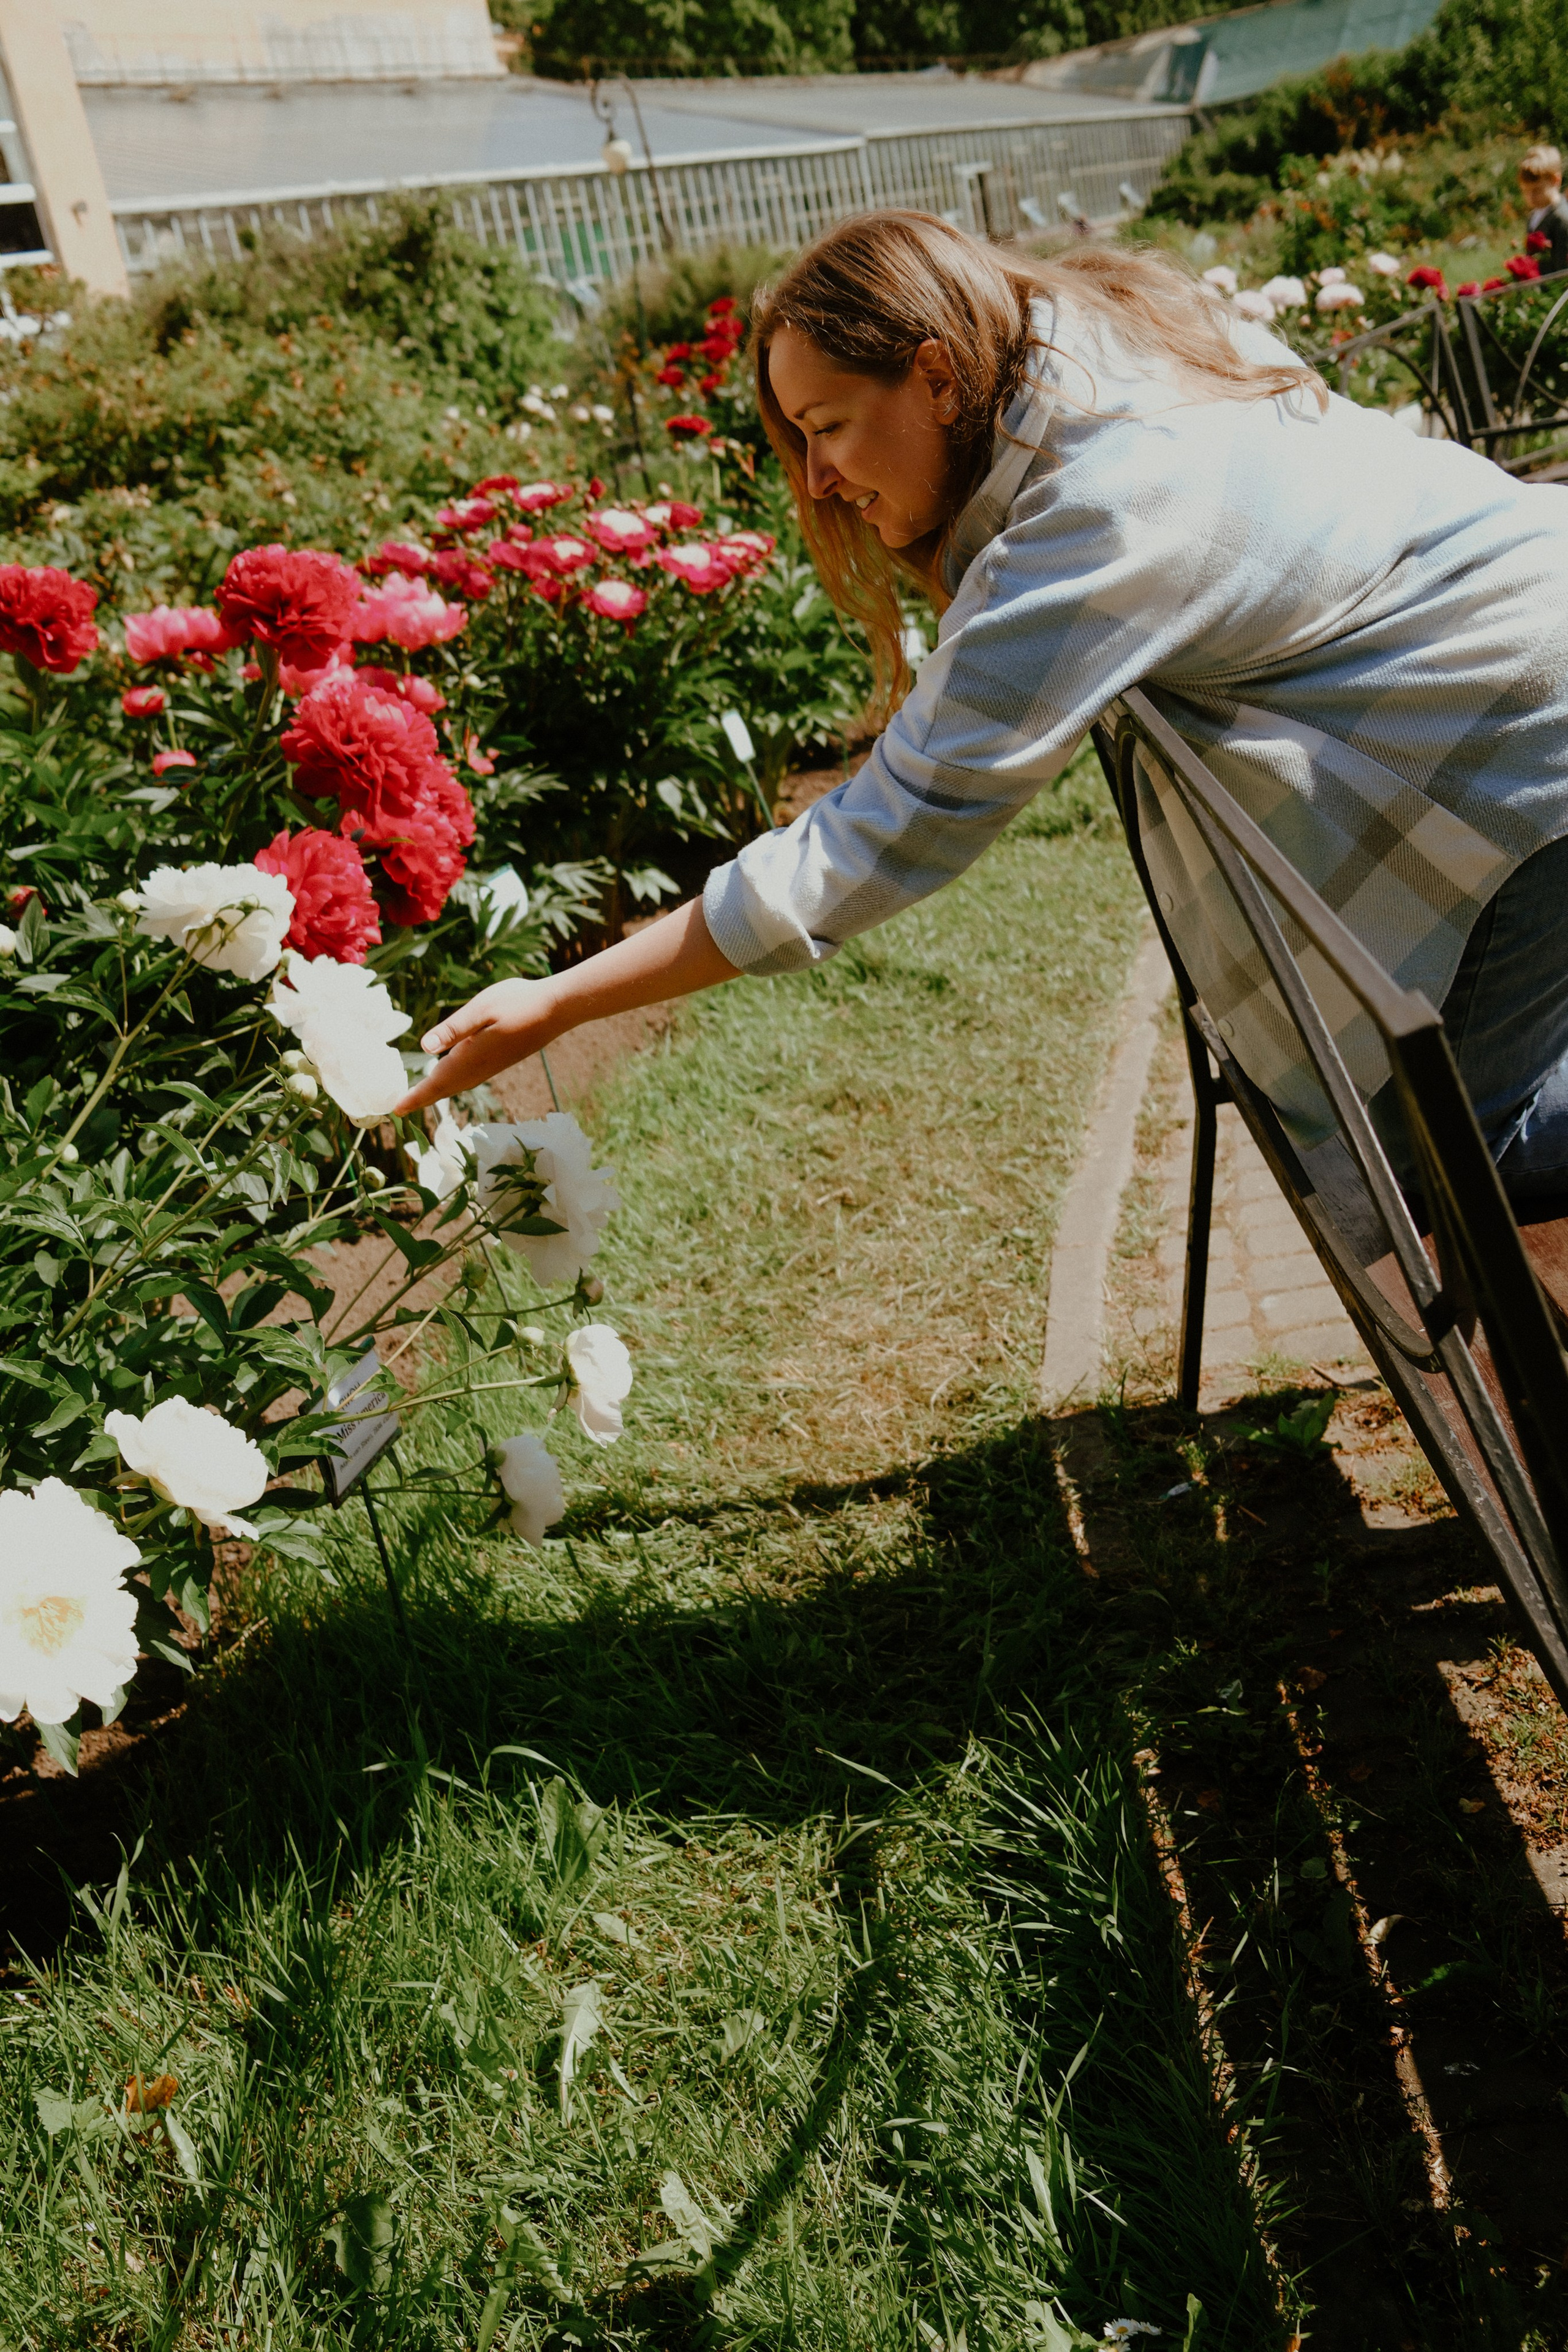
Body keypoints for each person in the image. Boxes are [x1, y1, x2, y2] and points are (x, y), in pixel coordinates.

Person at [398, 212, 1568, 1195]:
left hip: (1522, 735)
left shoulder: (1099, 514)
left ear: (937, 374)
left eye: (827, 427)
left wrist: (559, 1001)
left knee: (1462, 1170)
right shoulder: (1096, 351)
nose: (819, 480)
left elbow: (872, 839)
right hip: (1515, 656)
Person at [1520, 143, 1568, 276]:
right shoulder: (1534, 216)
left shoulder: (1562, 218)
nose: (1531, 197)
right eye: (1526, 191)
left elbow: (1563, 269)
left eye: (1537, 190)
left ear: (1555, 180)